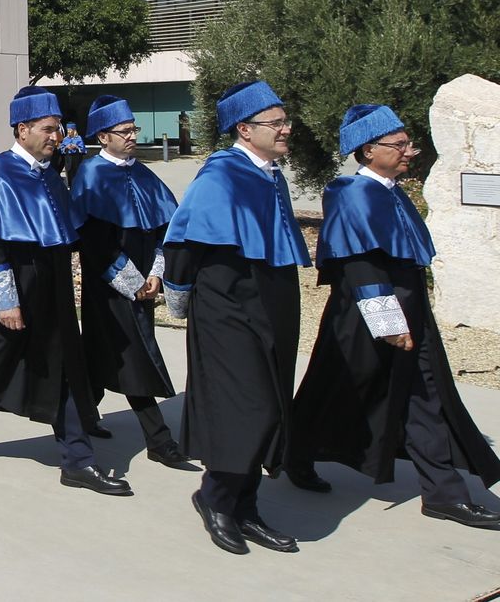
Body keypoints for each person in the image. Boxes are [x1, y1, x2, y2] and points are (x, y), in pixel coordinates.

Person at [288, 105, 500, 529]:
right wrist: (388, 324)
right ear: (369, 149)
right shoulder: (349, 192)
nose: (410, 152)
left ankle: (443, 493)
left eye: (408, 143)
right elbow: (359, 264)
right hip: (366, 313)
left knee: (426, 395)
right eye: (399, 145)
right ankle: (292, 453)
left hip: (409, 307)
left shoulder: (392, 191)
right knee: (339, 389)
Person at [0, 86, 129, 496]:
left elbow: (73, 232)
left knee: (66, 366)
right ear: (22, 129)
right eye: (48, 128)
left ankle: (77, 460)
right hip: (13, 282)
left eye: (58, 128)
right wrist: (6, 302)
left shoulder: (51, 175)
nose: (55, 136)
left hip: (55, 283)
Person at [163, 80, 311, 555]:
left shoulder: (272, 175)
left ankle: (246, 505)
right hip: (227, 306)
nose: (286, 129)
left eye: (286, 120)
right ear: (245, 130)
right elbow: (184, 244)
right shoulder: (220, 175)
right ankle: (217, 498)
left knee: (272, 402)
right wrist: (179, 300)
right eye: (276, 123)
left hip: (274, 301)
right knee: (246, 407)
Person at [68, 95, 196, 471]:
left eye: (133, 130)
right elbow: (93, 242)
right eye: (124, 132)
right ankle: (158, 439)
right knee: (135, 354)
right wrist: (131, 281)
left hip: (146, 283)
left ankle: (81, 417)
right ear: (104, 137)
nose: (132, 137)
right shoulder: (90, 175)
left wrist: (156, 273)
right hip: (109, 284)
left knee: (99, 352)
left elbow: (164, 231)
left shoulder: (145, 175)